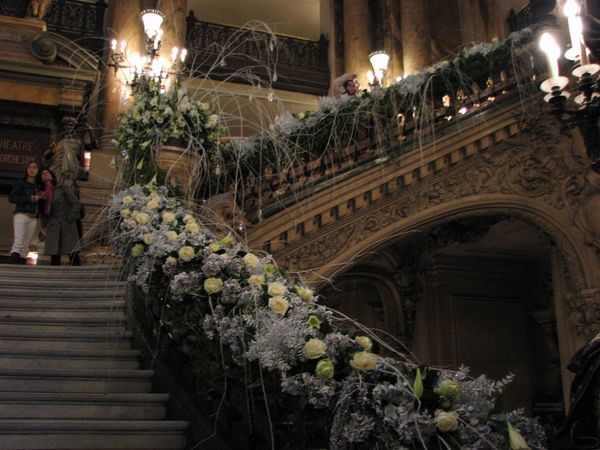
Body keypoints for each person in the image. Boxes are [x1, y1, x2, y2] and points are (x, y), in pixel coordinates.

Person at [40, 170, 81, 266]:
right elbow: (42, 212)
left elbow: (76, 203)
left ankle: (76, 277)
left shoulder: (62, 188)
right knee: (54, 254)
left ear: (52, 175)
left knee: (72, 253)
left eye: (47, 173)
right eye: (42, 174)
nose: (45, 174)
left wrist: (71, 218)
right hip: (53, 225)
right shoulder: (42, 192)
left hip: (66, 224)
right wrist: (44, 225)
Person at [8, 161, 44, 264]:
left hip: (33, 217)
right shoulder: (21, 183)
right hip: (21, 214)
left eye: (35, 167)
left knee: (26, 242)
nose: (32, 170)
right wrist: (30, 198)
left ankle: (22, 263)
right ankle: (13, 264)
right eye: (30, 167)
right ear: (26, 169)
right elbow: (12, 198)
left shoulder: (37, 186)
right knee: (19, 240)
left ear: (38, 171)